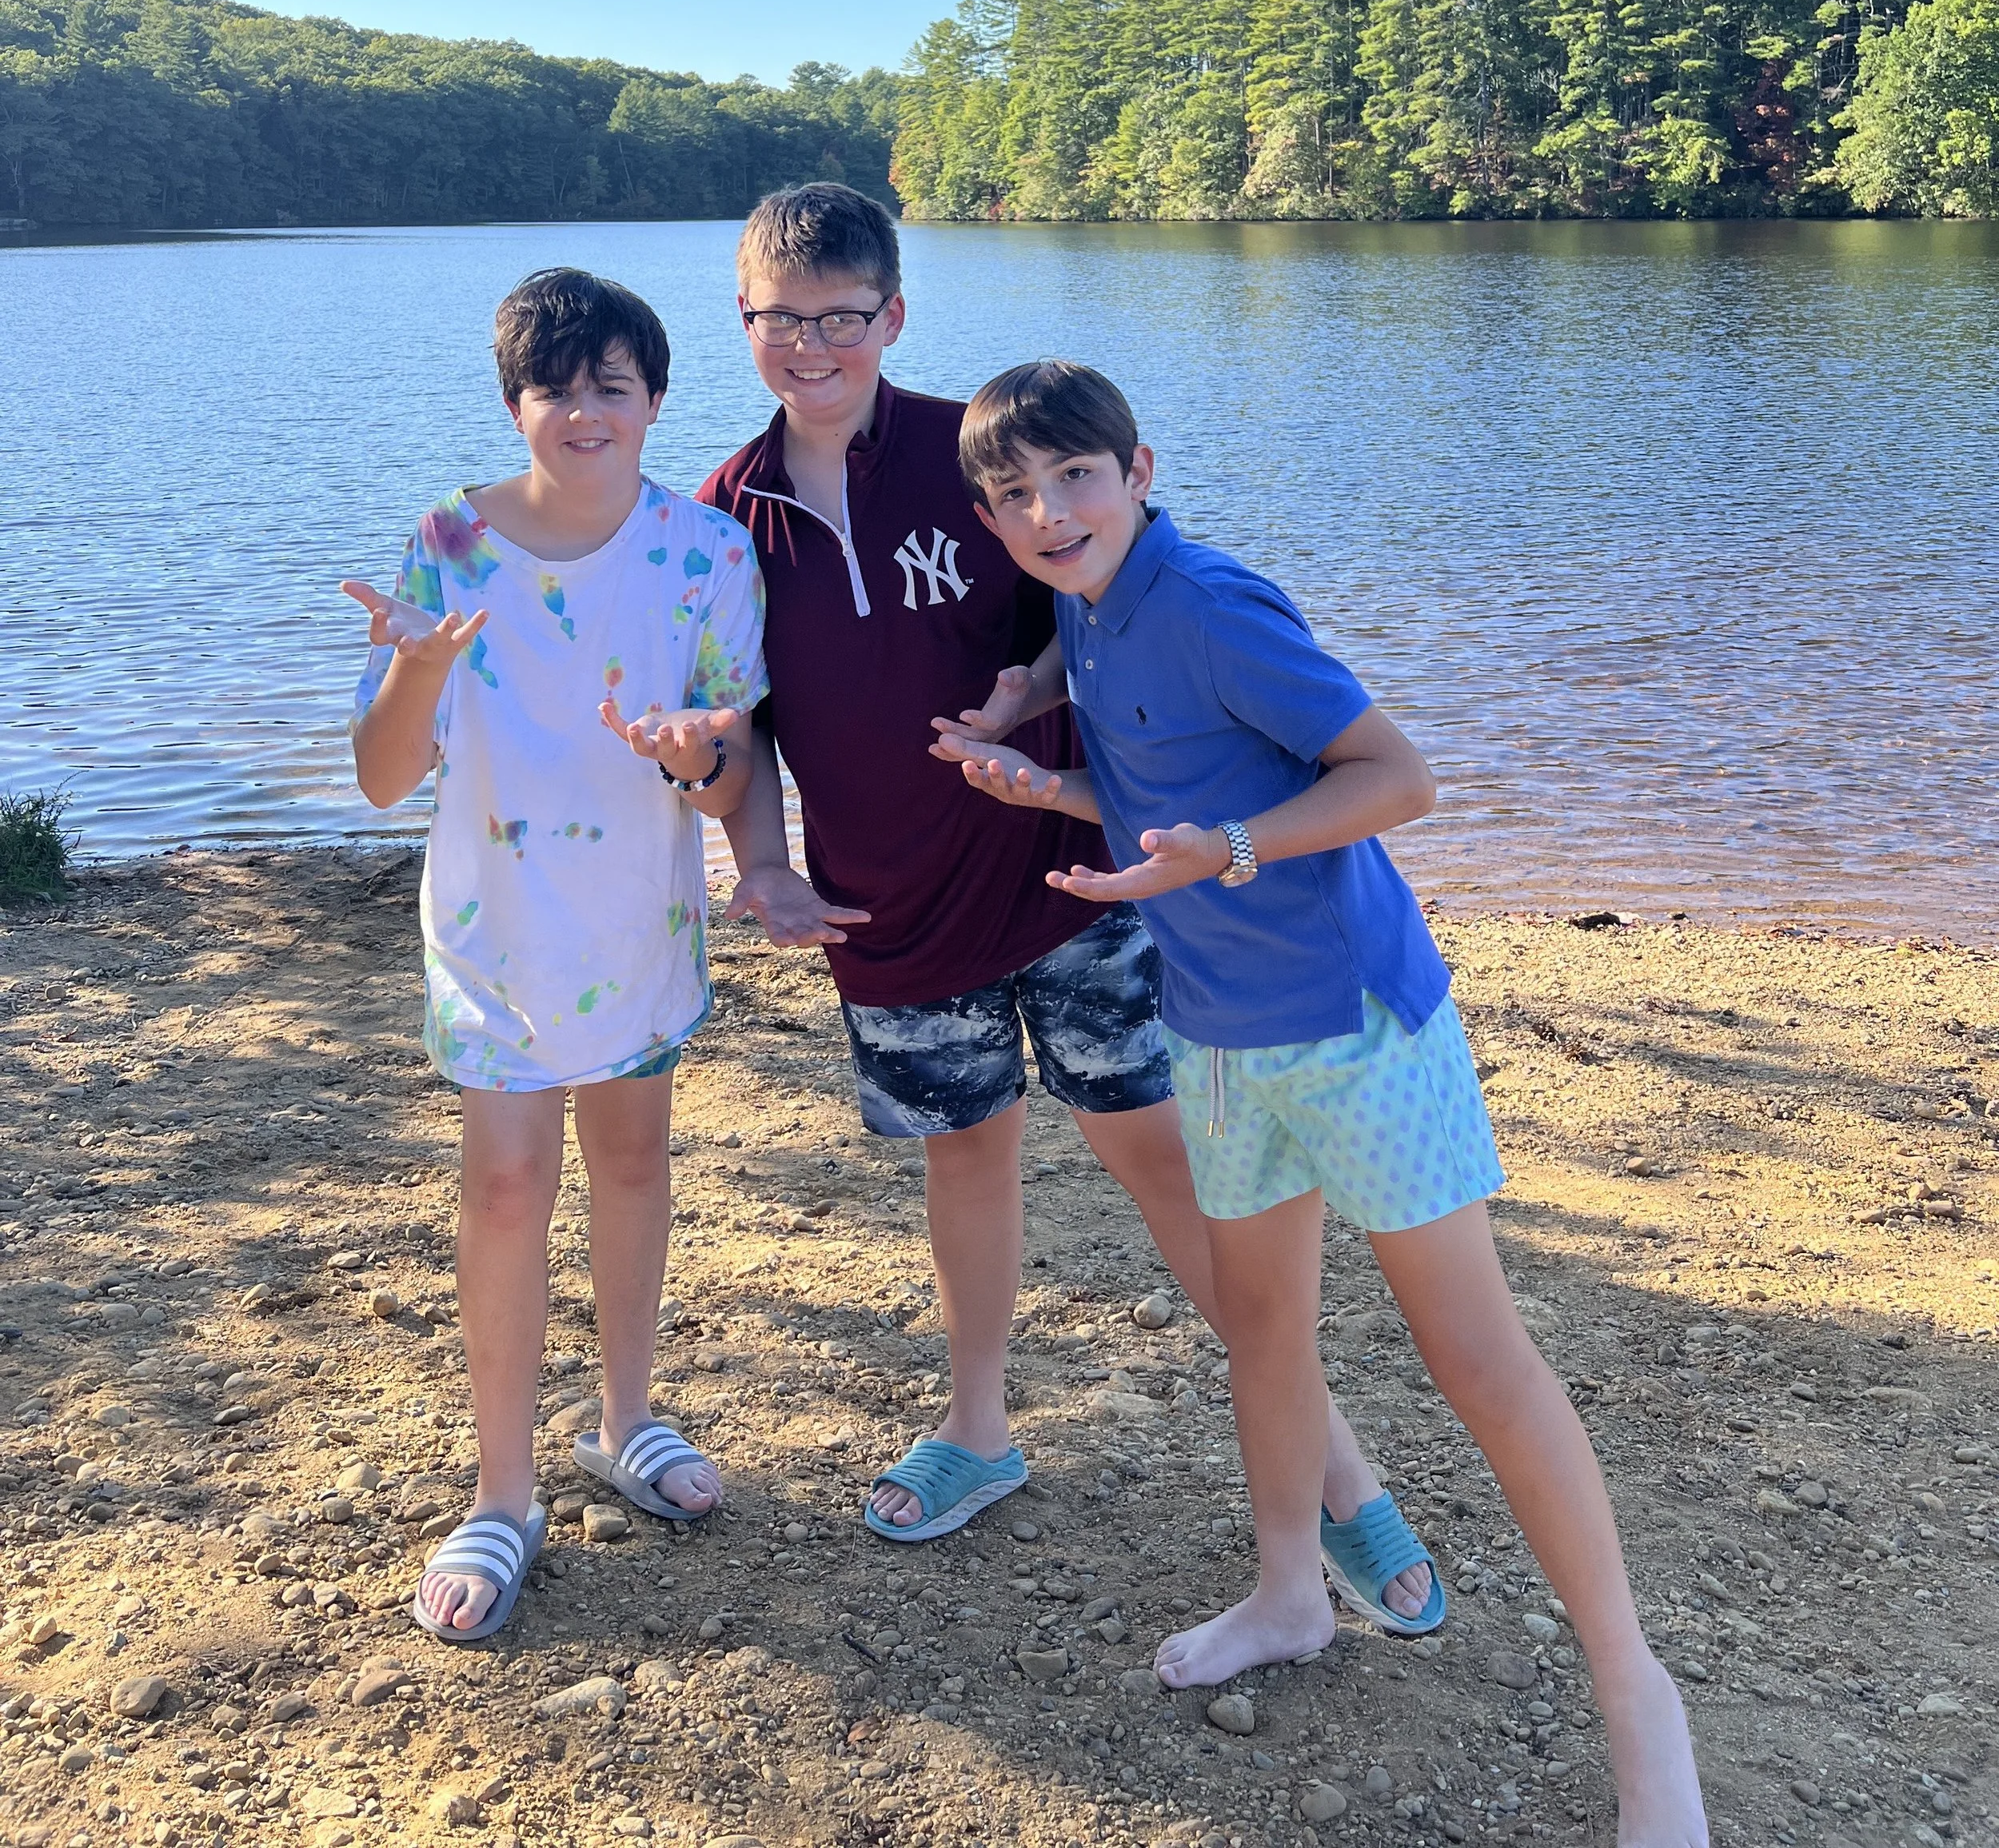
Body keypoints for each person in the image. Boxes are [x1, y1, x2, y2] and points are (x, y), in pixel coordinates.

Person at [936, 359, 1707, 1848]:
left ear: (1139, 469)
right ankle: (1294, 1593)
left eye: (1074, 477)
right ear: (991, 514)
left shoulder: (1213, 602)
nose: (1048, 511)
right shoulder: (1084, 610)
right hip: (1218, 1038)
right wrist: (1046, 793)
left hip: (1354, 1024)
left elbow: (1395, 778)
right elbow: (1174, 795)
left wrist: (1218, 849)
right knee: (1264, 1330)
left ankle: (1634, 1692)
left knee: (1474, 1354)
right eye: (1015, 495)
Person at [701, 187, 1434, 1617]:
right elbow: (741, 722)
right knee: (963, 1161)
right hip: (888, 916)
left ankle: (1340, 1475)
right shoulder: (734, 514)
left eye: (842, 316)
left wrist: (1049, 719)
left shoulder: (977, 458)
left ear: (892, 317)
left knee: (1170, 1167)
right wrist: (762, 857)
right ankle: (980, 1430)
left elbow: (1116, 600)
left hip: (1068, 886)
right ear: (745, 324)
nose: (812, 346)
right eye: (781, 320)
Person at [342, 266, 766, 1642]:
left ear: (653, 400)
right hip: (497, 933)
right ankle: (503, 1488)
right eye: (554, 389)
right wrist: (417, 665)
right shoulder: (452, 541)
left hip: (635, 921)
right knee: (510, 1189)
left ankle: (626, 1419)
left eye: (612, 387)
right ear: (514, 402)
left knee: (636, 1159)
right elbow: (382, 780)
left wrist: (702, 760)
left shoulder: (705, 553)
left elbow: (726, 774)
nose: (583, 411)